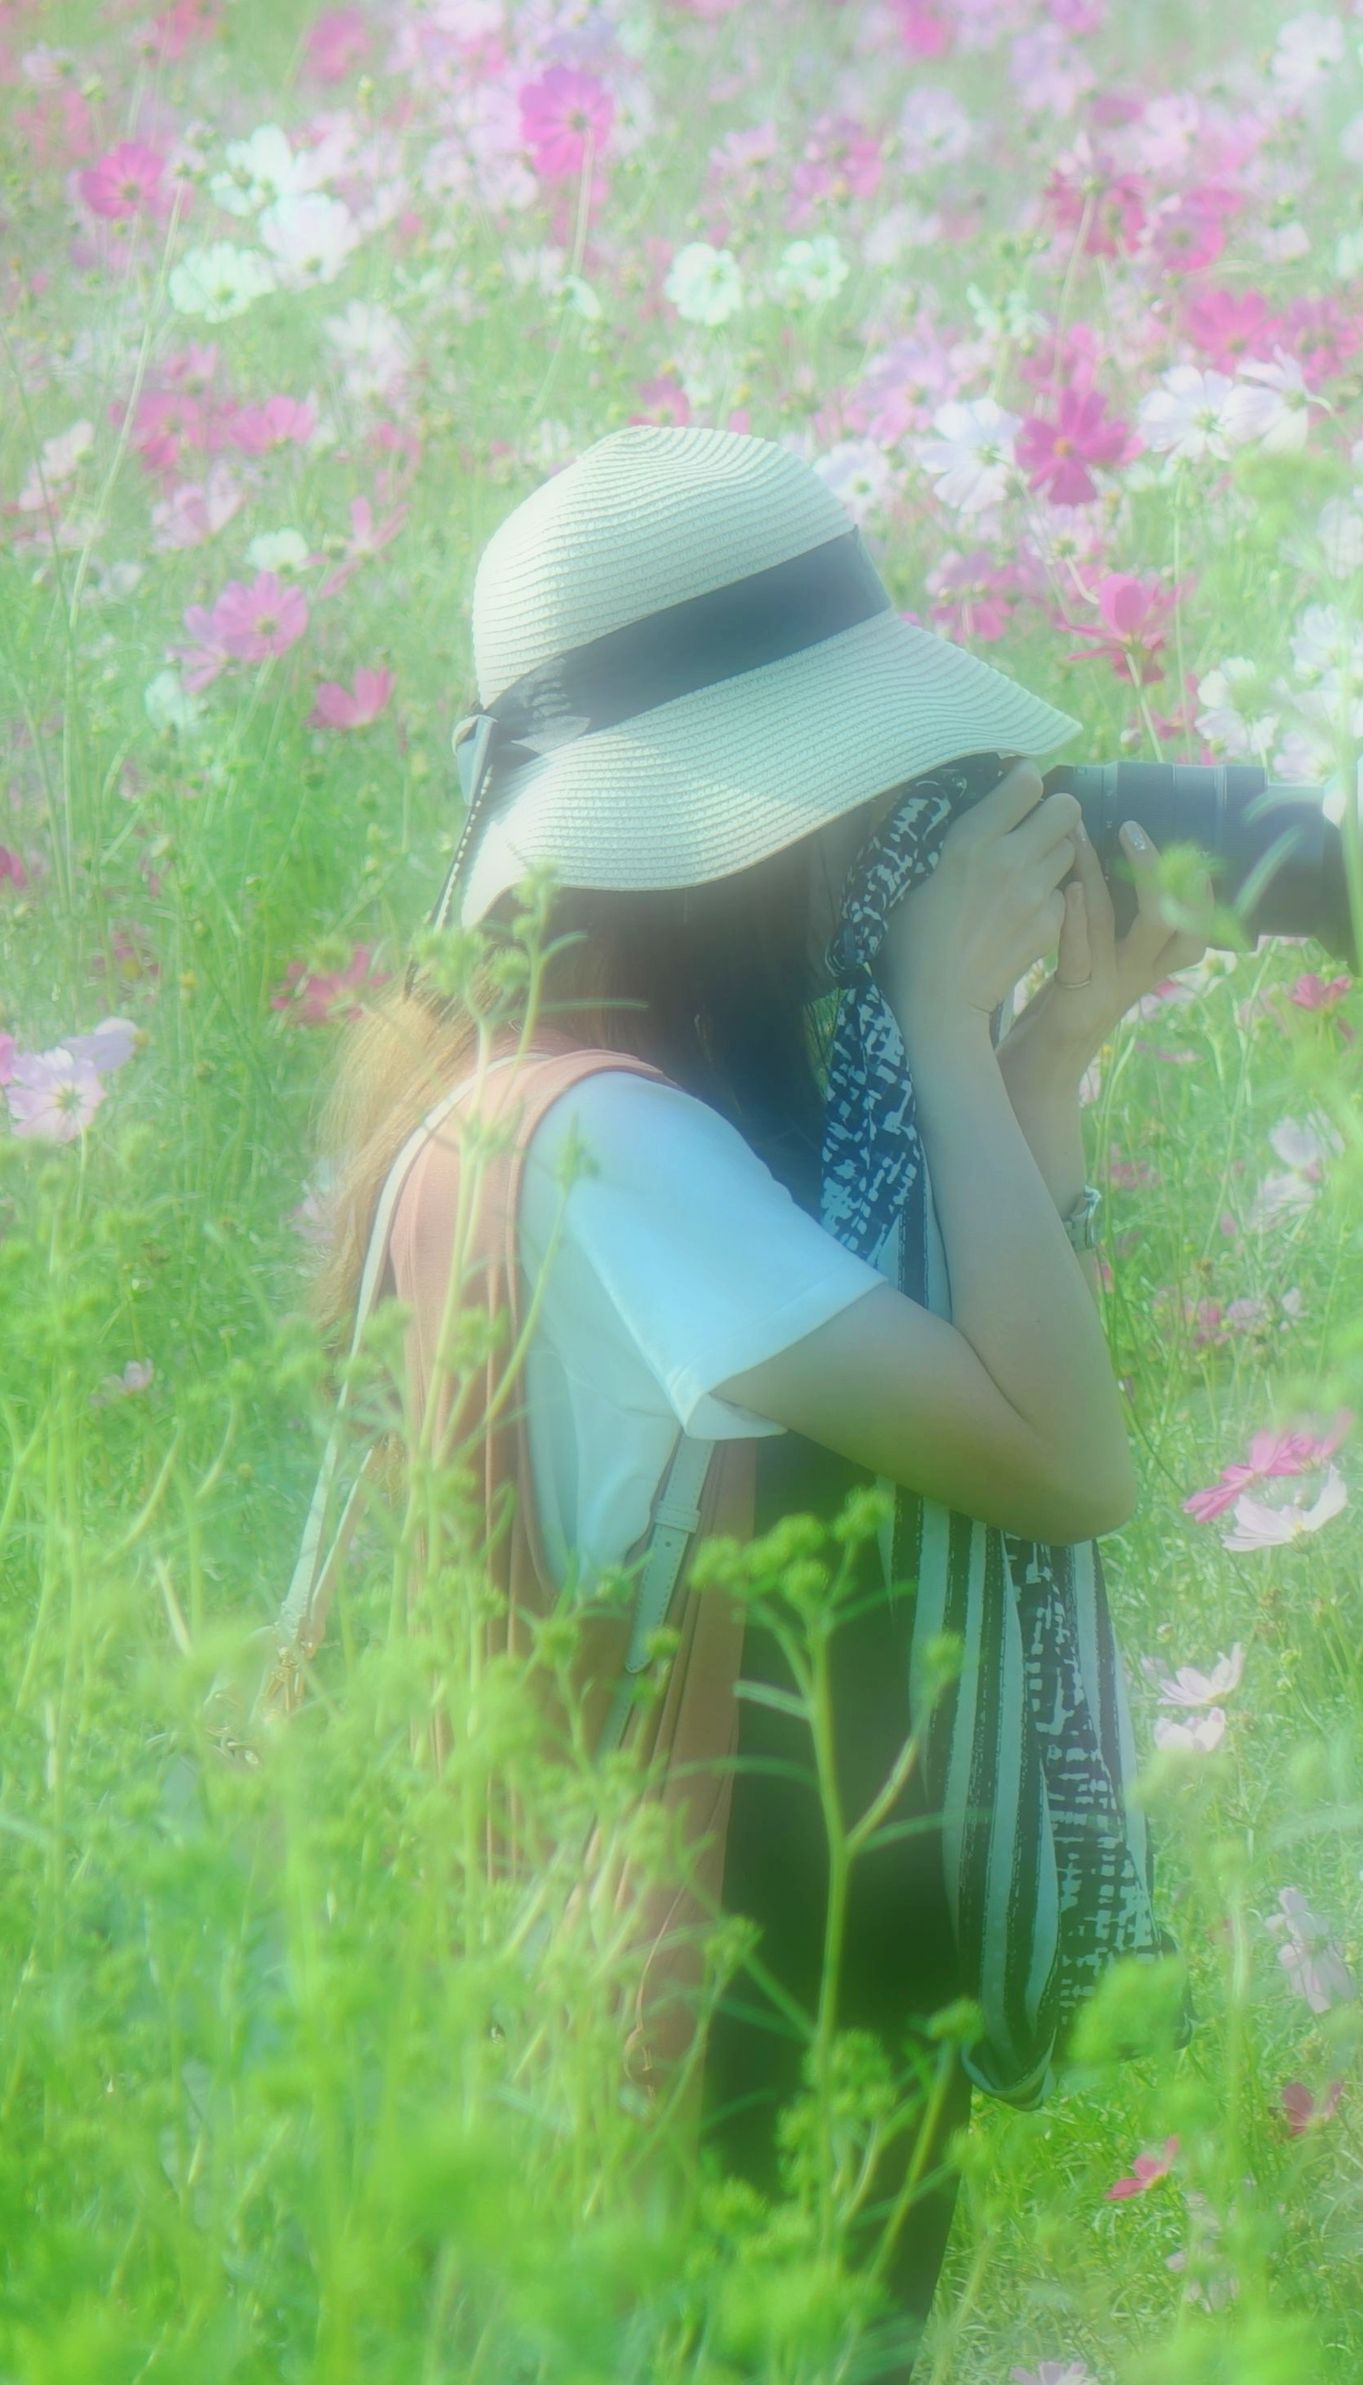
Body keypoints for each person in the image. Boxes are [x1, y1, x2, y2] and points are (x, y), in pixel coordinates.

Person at [300, 426, 1203, 2380]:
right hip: (731, 2033)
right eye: (861, 792)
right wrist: (943, 1025)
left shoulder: (495, 1102)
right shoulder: (627, 1148)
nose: (893, 837)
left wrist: (1041, 1063)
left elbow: (978, 1380)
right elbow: (1061, 1463)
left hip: (606, 2000)